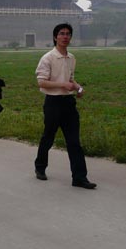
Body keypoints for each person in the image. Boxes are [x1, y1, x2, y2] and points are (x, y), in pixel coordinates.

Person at [34, 23, 96, 189]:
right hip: (53, 103)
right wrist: (62, 85)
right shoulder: (48, 58)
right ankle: (40, 167)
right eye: (61, 33)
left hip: (69, 104)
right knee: (48, 138)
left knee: (74, 142)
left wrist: (78, 87)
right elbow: (41, 82)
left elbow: (70, 79)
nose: (65, 37)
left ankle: (79, 177)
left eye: (68, 34)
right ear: (55, 37)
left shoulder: (71, 58)